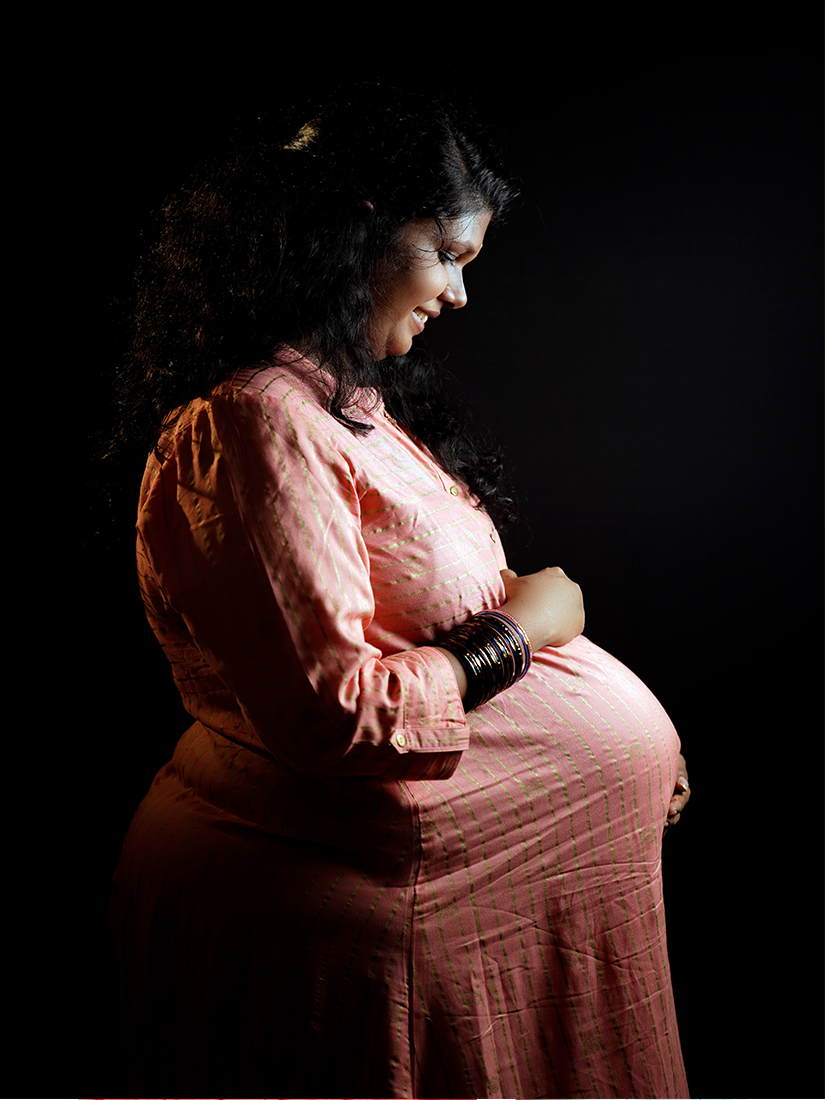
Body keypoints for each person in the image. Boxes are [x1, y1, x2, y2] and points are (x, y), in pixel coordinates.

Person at [108, 83, 691, 1097]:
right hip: (380, 916)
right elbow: (335, 712)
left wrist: (627, 751)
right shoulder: (256, 420)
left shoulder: (347, 409)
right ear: (360, 230)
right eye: (449, 254)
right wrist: (522, 626)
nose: (459, 295)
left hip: (467, 902)